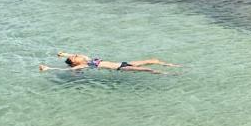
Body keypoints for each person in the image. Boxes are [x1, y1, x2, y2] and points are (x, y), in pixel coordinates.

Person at [39, 52, 180, 74]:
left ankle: (171, 65)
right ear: (76, 63)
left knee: (151, 60)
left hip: (122, 63)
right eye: (75, 57)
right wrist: (48, 68)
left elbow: (76, 55)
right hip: (121, 68)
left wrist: (64, 54)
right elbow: (65, 69)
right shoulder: (85, 65)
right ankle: (166, 73)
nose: (77, 55)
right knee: (148, 70)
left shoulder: (87, 59)